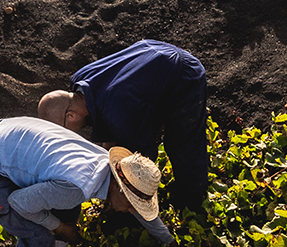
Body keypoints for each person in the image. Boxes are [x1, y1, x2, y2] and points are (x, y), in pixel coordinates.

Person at [0, 116, 174, 247]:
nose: (131, 211)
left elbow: (136, 208)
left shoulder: (105, 165)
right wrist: (61, 228)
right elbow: (18, 202)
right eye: (132, 204)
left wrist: (168, 242)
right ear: (120, 189)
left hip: (4, 132)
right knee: (39, 241)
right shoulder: (77, 187)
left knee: (68, 205)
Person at [38, 39, 208, 212]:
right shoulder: (79, 80)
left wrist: (122, 192)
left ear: (70, 115)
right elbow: (109, 135)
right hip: (152, 52)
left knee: (183, 144)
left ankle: (192, 204)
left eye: (64, 131)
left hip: (183, 73)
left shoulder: (117, 114)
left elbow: (141, 159)